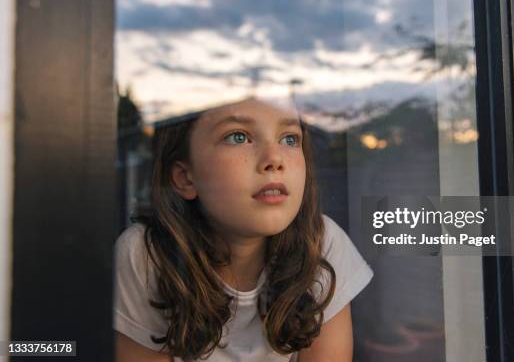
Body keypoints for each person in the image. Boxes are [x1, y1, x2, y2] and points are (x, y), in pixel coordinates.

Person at [114, 97, 374, 361]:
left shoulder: (321, 243)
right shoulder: (145, 256)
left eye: (290, 139)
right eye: (238, 137)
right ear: (185, 176)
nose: (274, 159)